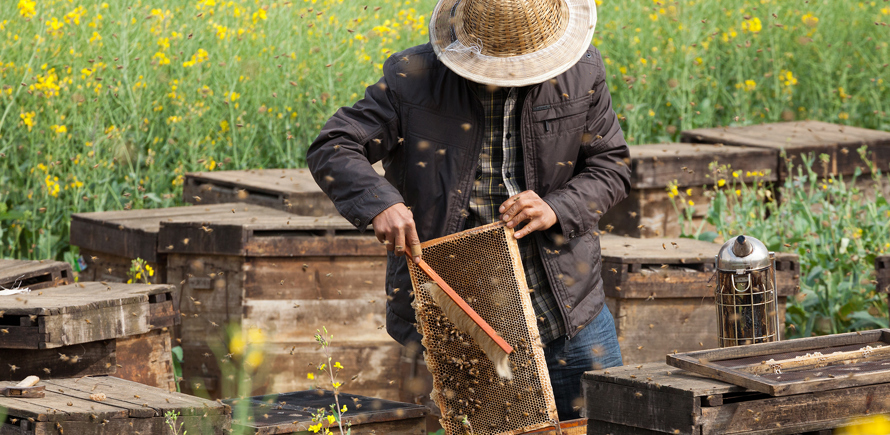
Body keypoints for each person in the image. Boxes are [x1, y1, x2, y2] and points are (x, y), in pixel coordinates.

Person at [307, 0, 630, 421]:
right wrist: (379, 202)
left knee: (608, 425)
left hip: (569, 308)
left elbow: (612, 166)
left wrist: (557, 207)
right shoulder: (413, 77)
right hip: (463, 315)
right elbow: (334, 145)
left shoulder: (583, 70)